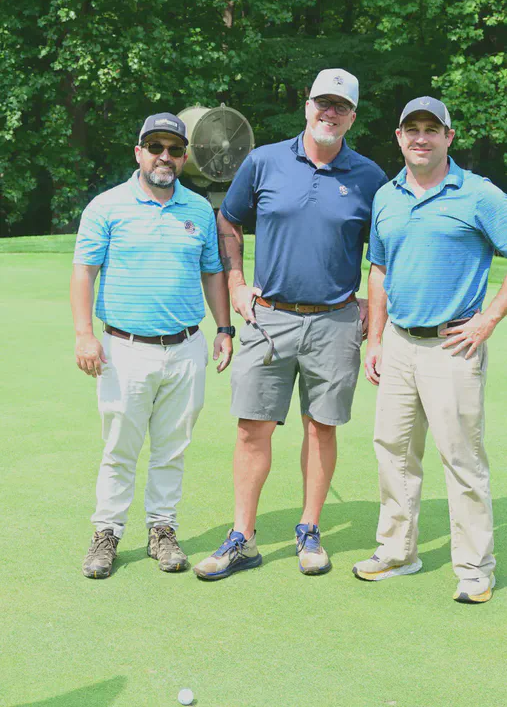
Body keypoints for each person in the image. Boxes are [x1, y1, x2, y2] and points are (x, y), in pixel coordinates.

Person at [193, 69, 388, 581]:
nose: (329, 113)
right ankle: (243, 537)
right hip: (268, 317)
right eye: (322, 103)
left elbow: (385, 253)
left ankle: (309, 530)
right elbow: (229, 220)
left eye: (340, 107)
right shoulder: (264, 161)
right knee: (252, 429)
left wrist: (372, 304)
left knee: (321, 428)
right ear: (307, 106)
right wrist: (236, 280)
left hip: (336, 320)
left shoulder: (369, 176)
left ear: (352, 116)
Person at [353, 96, 507, 603]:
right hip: (398, 342)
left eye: (431, 129)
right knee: (393, 451)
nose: (421, 137)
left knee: (461, 459)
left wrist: (486, 320)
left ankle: (475, 566)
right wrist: (375, 340)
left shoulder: (479, 194)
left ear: (448, 137)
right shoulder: (386, 196)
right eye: (411, 128)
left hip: (452, 346)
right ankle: (398, 551)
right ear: (398, 137)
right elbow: (378, 270)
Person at [71, 112, 234, 579]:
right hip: (124, 348)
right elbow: (84, 271)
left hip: (186, 347)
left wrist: (224, 329)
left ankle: (162, 529)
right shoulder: (106, 206)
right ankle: (107, 532)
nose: (166, 156)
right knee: (120, 448)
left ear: (185, 157)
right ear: (139, 151)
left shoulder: (199, 210)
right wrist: (84, 333)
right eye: (156, 147)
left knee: (172, 447)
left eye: (175, 149)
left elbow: (212, 273)